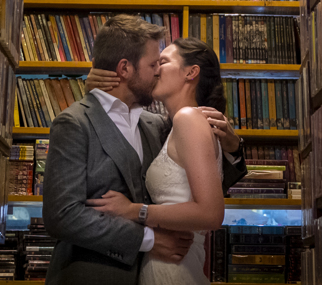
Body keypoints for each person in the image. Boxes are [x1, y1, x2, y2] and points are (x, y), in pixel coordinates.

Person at [43, 17, 247, 284]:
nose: (157, 71)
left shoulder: (157, 125)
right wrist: (147, 239)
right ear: (125, 68)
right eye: (153, 65)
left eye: (161, 63)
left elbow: (200, 190)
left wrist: (234, 148)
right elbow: (61, 216)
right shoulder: (75, 123)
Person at [85, 38, 230, 285]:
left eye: (162, 62)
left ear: (191, 72)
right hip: (167, 261)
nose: (155, 70)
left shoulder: (187, 118)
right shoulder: (169, 125)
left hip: (174, 266)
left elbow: (211, 213)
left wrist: (134, 210)